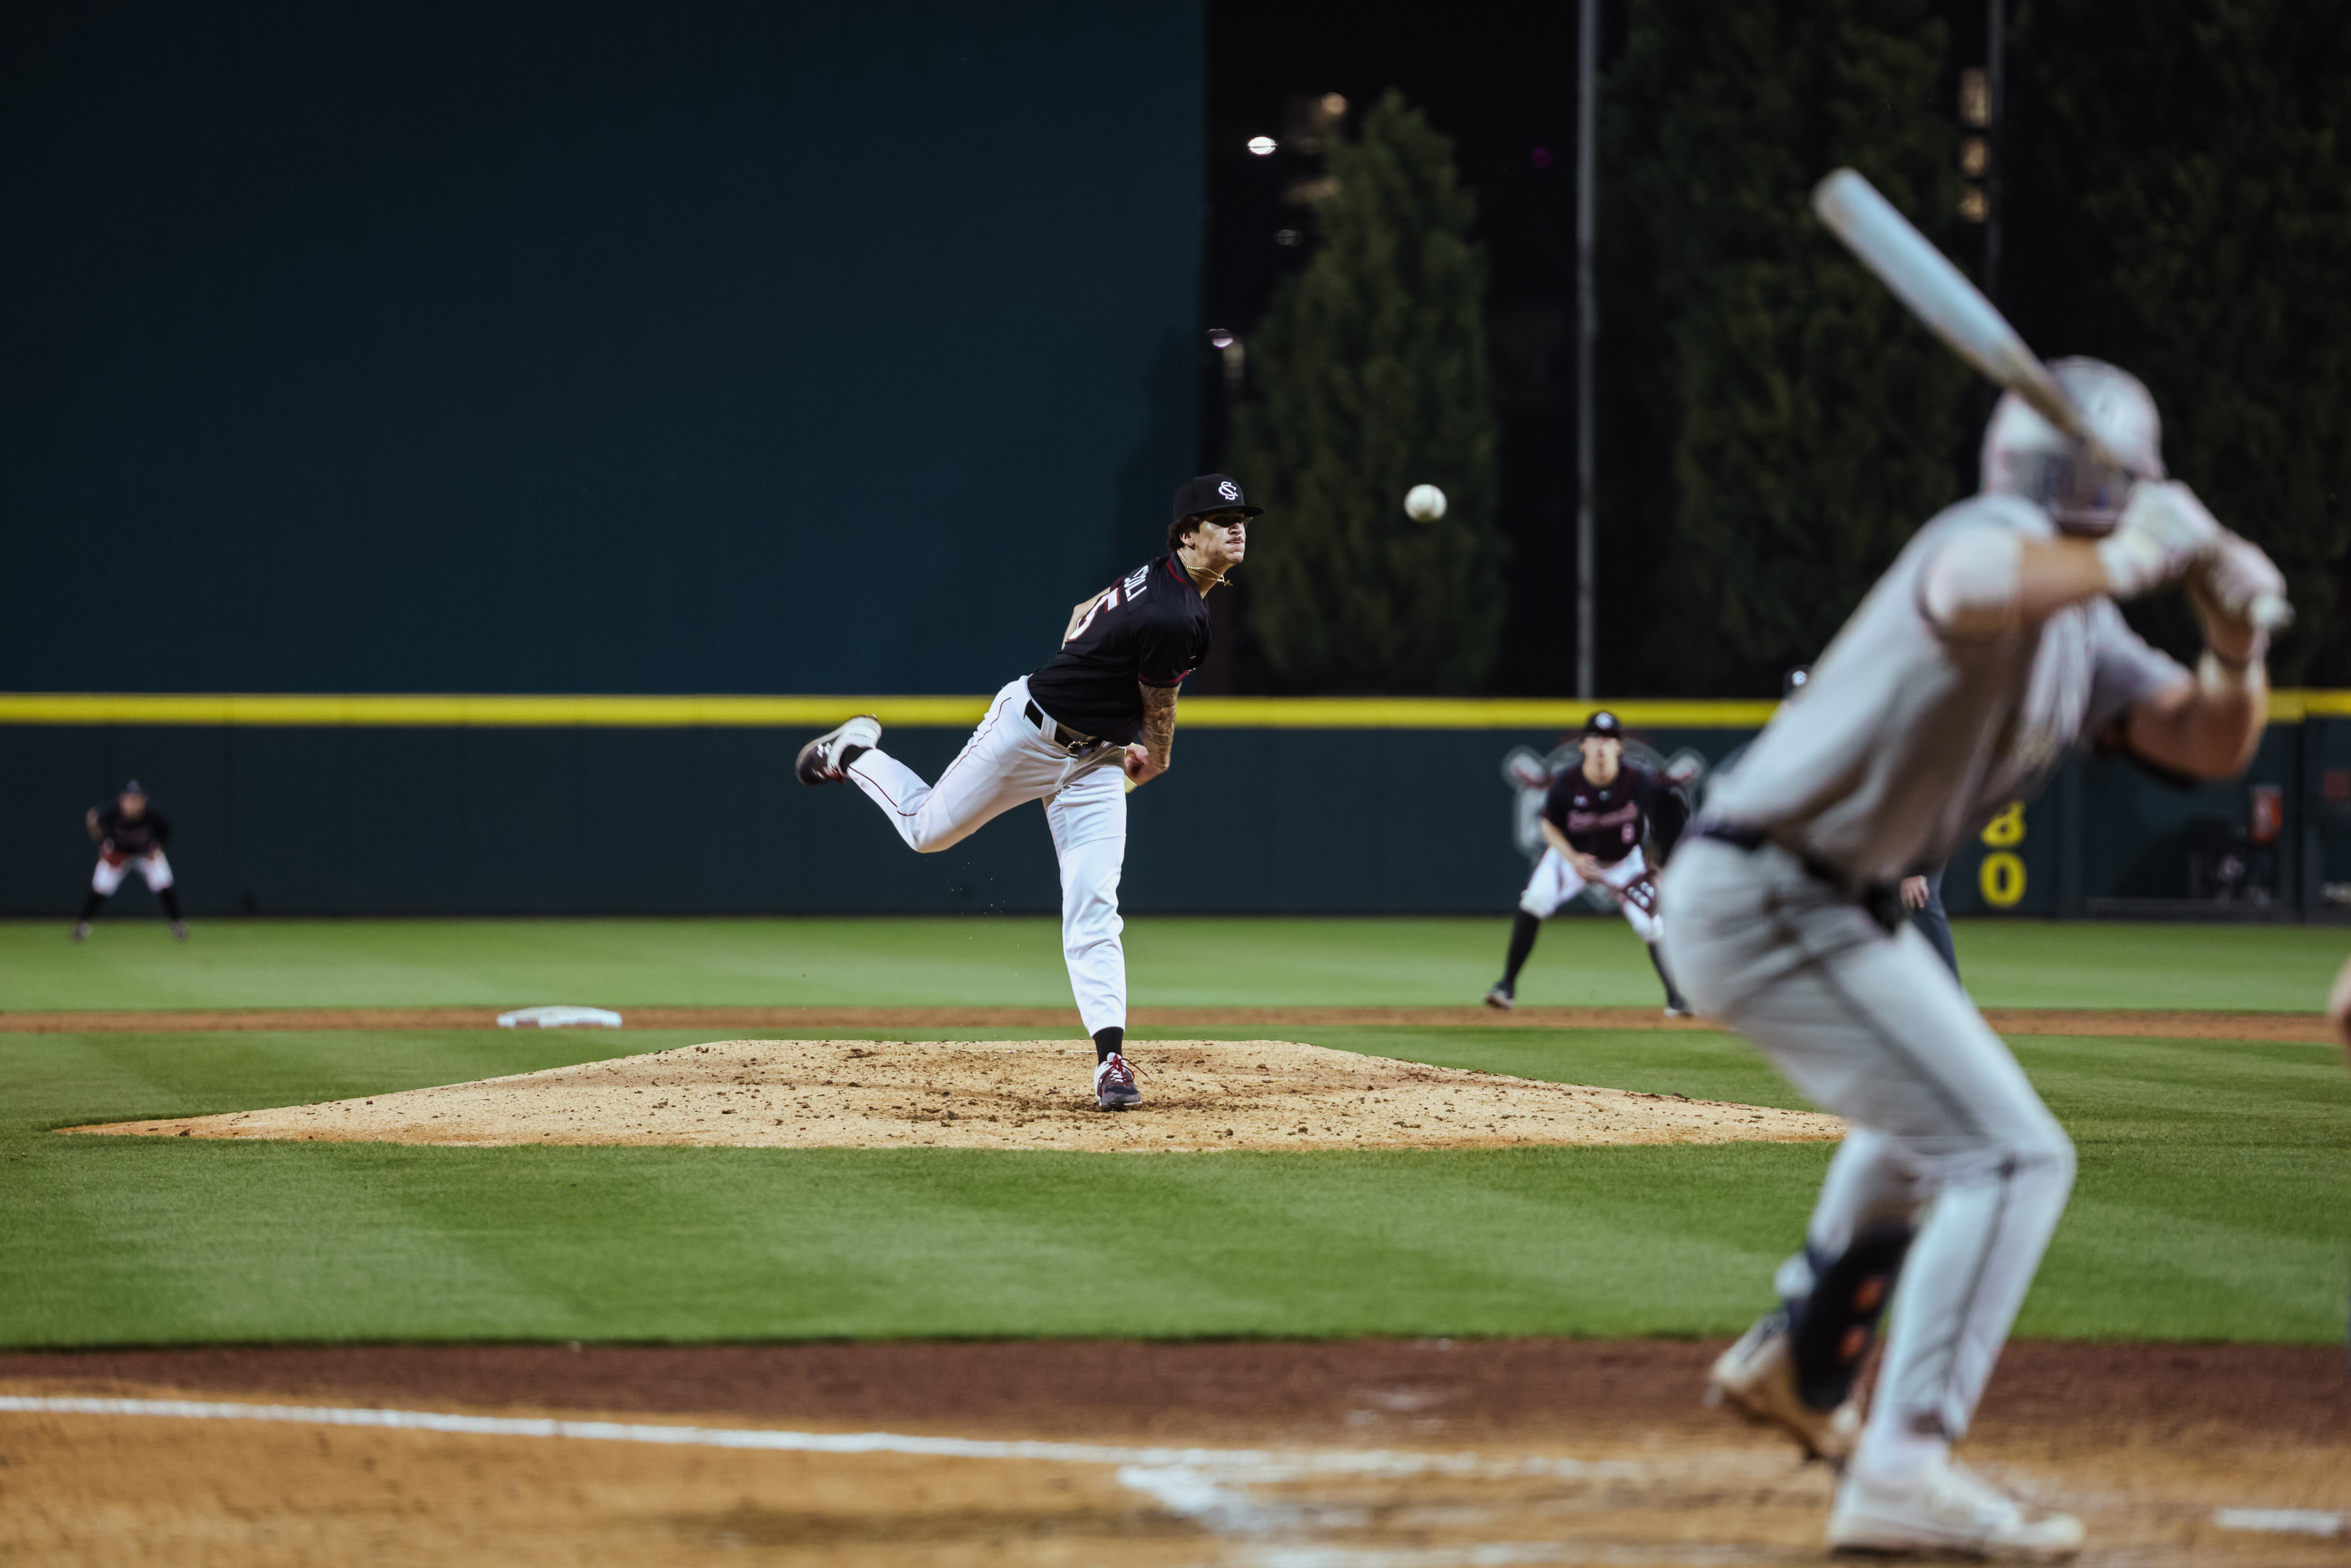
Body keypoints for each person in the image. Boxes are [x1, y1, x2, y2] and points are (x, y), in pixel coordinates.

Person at [1664, 359, 2278, 1559]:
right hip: (1766, 890)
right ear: (2130, 484)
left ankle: (1800, 1358)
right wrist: (2144, 552)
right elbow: (1968, 583)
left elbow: (2205, 743)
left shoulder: (2082, 624)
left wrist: (2233, 641)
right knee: (2009, 1154)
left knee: (1922, 1126)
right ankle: (1901, 1467)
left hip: (1825, 908)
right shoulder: (1987, 538)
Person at [796, 475, 1257, 1112]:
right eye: (1218, 518)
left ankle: (1111, 1061)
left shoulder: (1159, 580)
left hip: (1093, 758)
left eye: (1241, 518)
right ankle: (855, 752)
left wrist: (1106, 713)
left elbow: (1077, 620)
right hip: (1028, 735)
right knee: (926, 832)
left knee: (1094, 902)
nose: (1236, 527)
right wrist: (1158, 754)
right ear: (1185, 535)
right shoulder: (1177, 611)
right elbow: (1162, 704)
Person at [1485, 711, 1690, 1014]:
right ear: (1582, 745)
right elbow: (1548, 826)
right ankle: (1506, 986)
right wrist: (1573, 858)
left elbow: (1670, 814)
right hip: (1573, 857)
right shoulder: (1568, 782)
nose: (1601, 746)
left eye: (1608, 739)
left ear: (1620, 746)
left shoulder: (1637, 782)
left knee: (1653, 925)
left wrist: (1658, 864)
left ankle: (1677, 999)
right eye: (1594, 738)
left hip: (1624, 861)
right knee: (1535, 899)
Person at [76, 780, 186, 941]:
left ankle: (177, 925)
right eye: (130, 799)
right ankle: (82, 925)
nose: (133, 803)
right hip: (118, 855)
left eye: (137, 799)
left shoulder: (152, 816)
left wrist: (157, 847)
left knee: (164, 884)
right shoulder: (112, 814)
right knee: (100, 888)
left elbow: (166, 831)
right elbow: (93, 821)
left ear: (144, 800)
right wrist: (102, 844)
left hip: (145, 855)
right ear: (122, 799)